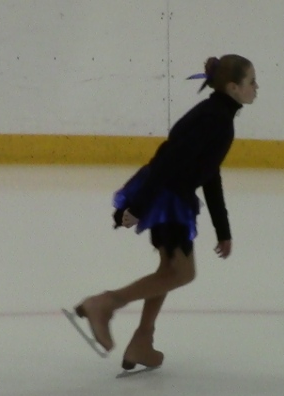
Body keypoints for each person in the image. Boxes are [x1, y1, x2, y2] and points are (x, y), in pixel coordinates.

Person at [72, 54, 258, 370]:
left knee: (168, 271)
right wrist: (139, 206)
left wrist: (222, 229)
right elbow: (170, 160)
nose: (256, 88)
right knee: (181, 273)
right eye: (251, 82)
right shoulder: (215, 120)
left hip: (169, 193)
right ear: (233, 87)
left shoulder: (217, 116)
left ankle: (142, 341)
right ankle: (105, 303)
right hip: (165, 194)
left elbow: (209, 172)